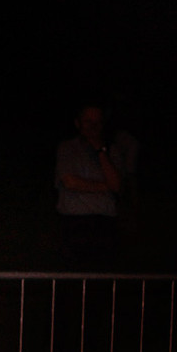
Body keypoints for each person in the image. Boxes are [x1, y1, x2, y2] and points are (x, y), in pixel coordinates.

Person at [54, 104, 136, 269]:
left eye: (98, 122)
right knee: (74, 279)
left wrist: (100, 151)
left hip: (105, 224)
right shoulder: (68, 148)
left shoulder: (112, 151)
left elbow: (117, 185)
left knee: (103, 279)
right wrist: (105, 186)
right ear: (78, 123)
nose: (93, 126)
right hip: (75, 224)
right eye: (88, 121)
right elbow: (70, 182)